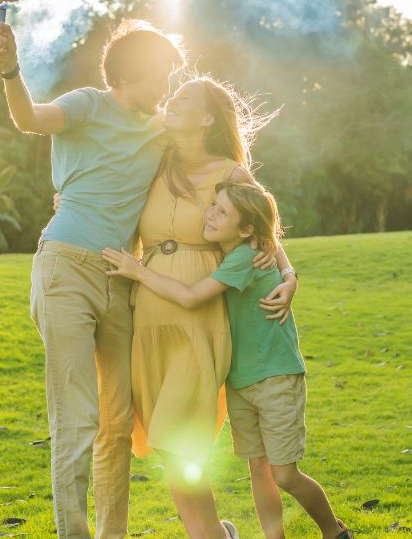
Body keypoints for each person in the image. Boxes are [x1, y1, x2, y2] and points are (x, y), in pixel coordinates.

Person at [0, 18, 183, 538]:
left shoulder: (164, 130)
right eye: (159, 78)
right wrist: (10, 69)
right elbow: (29, 118)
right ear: (126, 76)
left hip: (121, 281)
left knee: (118, 424)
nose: (165, 91)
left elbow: (215, 153)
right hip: (66, 267)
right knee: (76, 420)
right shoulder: (86, 105)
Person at [103, 180, 353, 539]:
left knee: (283, 474)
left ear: (247, 228)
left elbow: (191, 296)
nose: (210, 214)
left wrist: (138, 271)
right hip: (241, 380)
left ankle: (335, 532)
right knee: (259, 470)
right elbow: (268, 238)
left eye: (222, 211)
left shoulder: (246, 257)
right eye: (213, 205)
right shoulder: (238, 250)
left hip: (274, 376)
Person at [120, 76, 297, 539]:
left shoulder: (231, 174)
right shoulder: (152, 163)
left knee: (179, 438)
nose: (170, 101)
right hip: (149, 317)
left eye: (183, 99)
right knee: (165, 442)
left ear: (206, 119)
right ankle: (214, 533)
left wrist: (291, 276)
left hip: (202, 320)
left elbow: (264, 230)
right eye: (171, 97)